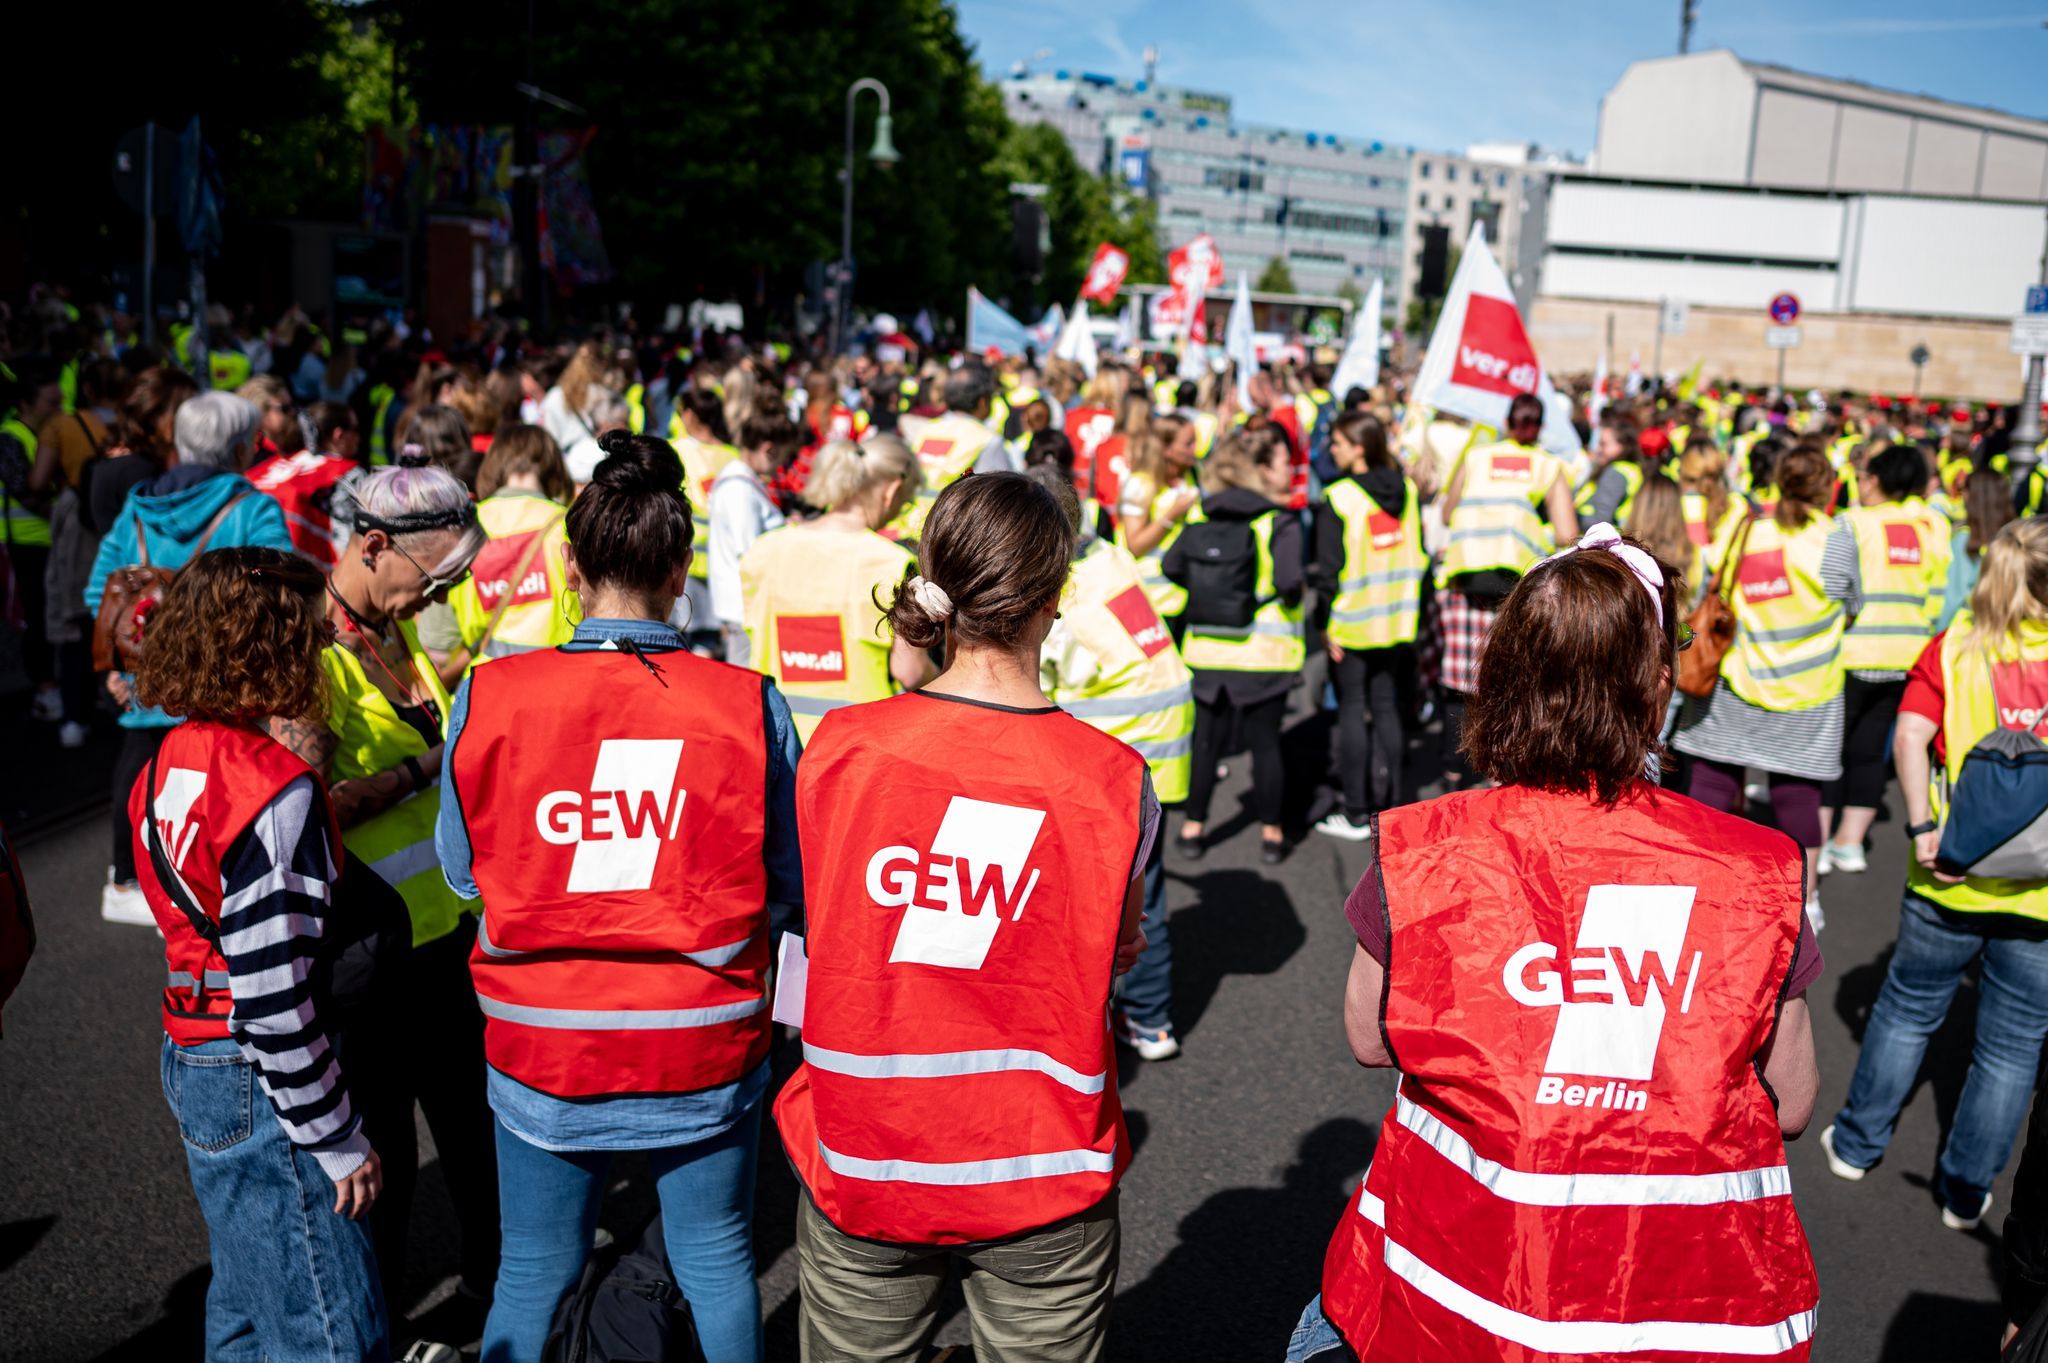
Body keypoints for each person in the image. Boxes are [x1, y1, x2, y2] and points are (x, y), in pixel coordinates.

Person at [1292, 527, 1819, 1363]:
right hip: (1677, 1309)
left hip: (1450, 1294)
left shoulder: (1427, 848)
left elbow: (1369, 1035)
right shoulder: (1756, 870)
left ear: (1505, 674)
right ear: (1655, 684)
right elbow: (1790, 1103)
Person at [775, 470, 1151, 1362]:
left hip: (864, 1147)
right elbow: (1117, 953)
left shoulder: (841, 749)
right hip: (1042, 1164)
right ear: (1053, 597)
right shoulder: (1114, 781)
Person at [438, 431, 794, 1363]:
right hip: (700, 1033)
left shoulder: (490, 693)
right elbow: (788, 881)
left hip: (543, 1037)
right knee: (716, 1257)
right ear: (680, 573)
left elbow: (463, 874)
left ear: (570, 565)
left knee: (531, 1269)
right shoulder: (747, 702)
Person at [130, 546, 390, 1363]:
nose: (322, 649)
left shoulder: (166, 758)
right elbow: (274, 999)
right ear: (272, 644)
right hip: (259, 1073)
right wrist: (337, 1134)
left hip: (193, 1046)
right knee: (329, 1335)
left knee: (245, 1309)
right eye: (311, 634)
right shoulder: (271, 788)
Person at [265, 464, 498, 1305]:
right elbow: (300, 807)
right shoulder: (313, 652)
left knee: (475, 1137)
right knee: (385, 1157)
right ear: (372, 546)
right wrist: (423, 770)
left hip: (446, 935)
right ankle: (380, 1323)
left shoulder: (390, 629)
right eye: (435, 577)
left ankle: (499, 1296)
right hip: (369, 954)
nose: (441, 596)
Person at [1822, 519, 2048, 1233]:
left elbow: (1912, 736)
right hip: (2039, 895)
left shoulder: (1954, 648)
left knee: (1907, 1010)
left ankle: (1856, 1145)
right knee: (2012, 1046)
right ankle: (1964, 1188)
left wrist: (1922, 827)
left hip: (1948, 870)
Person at [87, 392, 295, 926]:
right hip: (225, 679)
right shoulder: (252, 509)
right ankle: (213, 888)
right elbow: (281, 592)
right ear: (241, 447)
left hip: (147, 670)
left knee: (141, 771)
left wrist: (120, 663)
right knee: (224, 779)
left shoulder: (138, 509)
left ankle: (126, 880)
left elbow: (99, 589)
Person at [1033, 462, 1194, 1062]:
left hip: (1123, 744)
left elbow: (1037, 684)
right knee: (1145, 878)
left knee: (1111, 892)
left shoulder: (1059, 591)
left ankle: (1134, 1016)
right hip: (1165, 732)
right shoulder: (1103, 555)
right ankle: (1150, 1019)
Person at [1673, 445, 1859, 926]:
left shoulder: (1748, 529)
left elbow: (1716, 587)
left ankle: (1693, 883)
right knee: (1798, 798)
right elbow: (1852, 604)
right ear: (1826, 487)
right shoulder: (1835, 539)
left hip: (1737, 680)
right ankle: (1807, 901)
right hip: (1808, 690)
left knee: (1712, 785)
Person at [1167, 426, 1305, 864]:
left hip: (1206, 652)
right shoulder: (1277, 521)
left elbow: (1171, 566)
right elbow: (1289, 581)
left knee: (1206, 743)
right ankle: (1271, 833)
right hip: (1264, 653)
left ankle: (1192, 828)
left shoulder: (1200, 516)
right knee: (1266, 745)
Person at [1431, 392, 1579, 790]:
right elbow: (1567, 534)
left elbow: (1447, 511)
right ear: (1540, 426)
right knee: (1506, 683)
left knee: (1462, 682)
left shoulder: (1478, 456)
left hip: (1466, 577)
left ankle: (1452, 773)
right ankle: (1498, 772)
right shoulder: (1547, 465)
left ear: (1507, 421)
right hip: (1514, 588)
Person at [740, 436, 932, 739]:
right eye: (904, 502)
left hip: (775, 737)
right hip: (858, 742)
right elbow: (910, 671)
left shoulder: (764, 551)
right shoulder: (891, 563)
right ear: (892, 491)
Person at [1820, 444, 1952, 875]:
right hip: (1908, 654)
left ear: (1873, 479)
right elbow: (1937, 597)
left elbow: (1834, 590)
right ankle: (1850, 844)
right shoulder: (1933, 526)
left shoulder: (1853, 523)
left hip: (1853, 653)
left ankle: (1817, 845)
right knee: (1870, 751)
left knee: (1830, 751)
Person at [1312, 412, 1423, 840]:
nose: (1331, 449)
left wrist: (1323, 625)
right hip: (1396, 619)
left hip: (1352, 622)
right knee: (1386, 706)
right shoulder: (1406, 490)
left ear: (1359, 448)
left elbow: (1327, 572)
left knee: (1353, 712)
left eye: (1338, 442)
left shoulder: (1339, 497)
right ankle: (1393, 807)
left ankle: (1357, 812)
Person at [444, 424, 581, 669]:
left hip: (486, 679)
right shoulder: (568, 525)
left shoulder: (466, 526)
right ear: (553, 467)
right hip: (562, 674)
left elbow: (441, 641)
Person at [709, 410, 800, 664]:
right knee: (745, 675)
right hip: (745, 608)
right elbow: (750, 550)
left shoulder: (739, 481)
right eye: (782, 456)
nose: (781, 466)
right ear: (768, 449)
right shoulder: (739, 488)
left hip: (744, 605)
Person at [892, 363, 1012, 539]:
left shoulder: (927, 430)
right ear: (983, 401)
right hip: (948, 533)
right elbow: (999, 500)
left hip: (908, 527)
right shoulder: (987, 439)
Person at [247, 400, 362, 572]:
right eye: (356, 429)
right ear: (338, 435)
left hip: (250, 559)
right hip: (304, 572)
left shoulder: (276, 464)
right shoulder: (347, 472)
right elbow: (351, 538)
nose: (359, 437)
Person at [1117, 413, 1200, 629]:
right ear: (1166, 448)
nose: (1195, 449)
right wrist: (1172, 514)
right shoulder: (1140, 484)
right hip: (1153, 599)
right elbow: (1135, 545)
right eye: (1188, 444)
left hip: (1186, 594)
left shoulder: (1193, 477)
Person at [1938, 468, 2012, 634]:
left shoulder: (1964, 540)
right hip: (2005, 629)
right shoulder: (2013, 538)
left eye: (1964, 490)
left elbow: (1955, 597)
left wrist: (1938, 634)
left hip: (1970, 631)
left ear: (1973, 496)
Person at [1576, 413, 1654, 527]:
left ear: (1622, 446)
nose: (1598, 449)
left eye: (1603, 444)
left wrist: (1571, 518)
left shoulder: (1615, 474)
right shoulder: (1632, 469)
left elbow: (1601, 520)